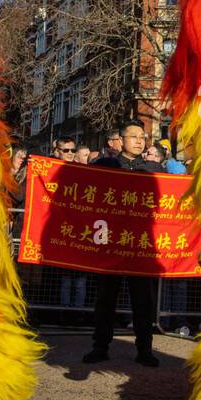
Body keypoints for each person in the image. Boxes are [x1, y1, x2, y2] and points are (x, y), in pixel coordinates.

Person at [83, 120, 163, 367]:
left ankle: (144, 349)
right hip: (111, 243)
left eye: (143, 137)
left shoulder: (153, 169)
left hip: (141, 245)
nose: (140, 141)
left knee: (144, 299)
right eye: (134, 136)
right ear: (120, 140)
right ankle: (100, 345)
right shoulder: (106, 166)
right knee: (106, 297)